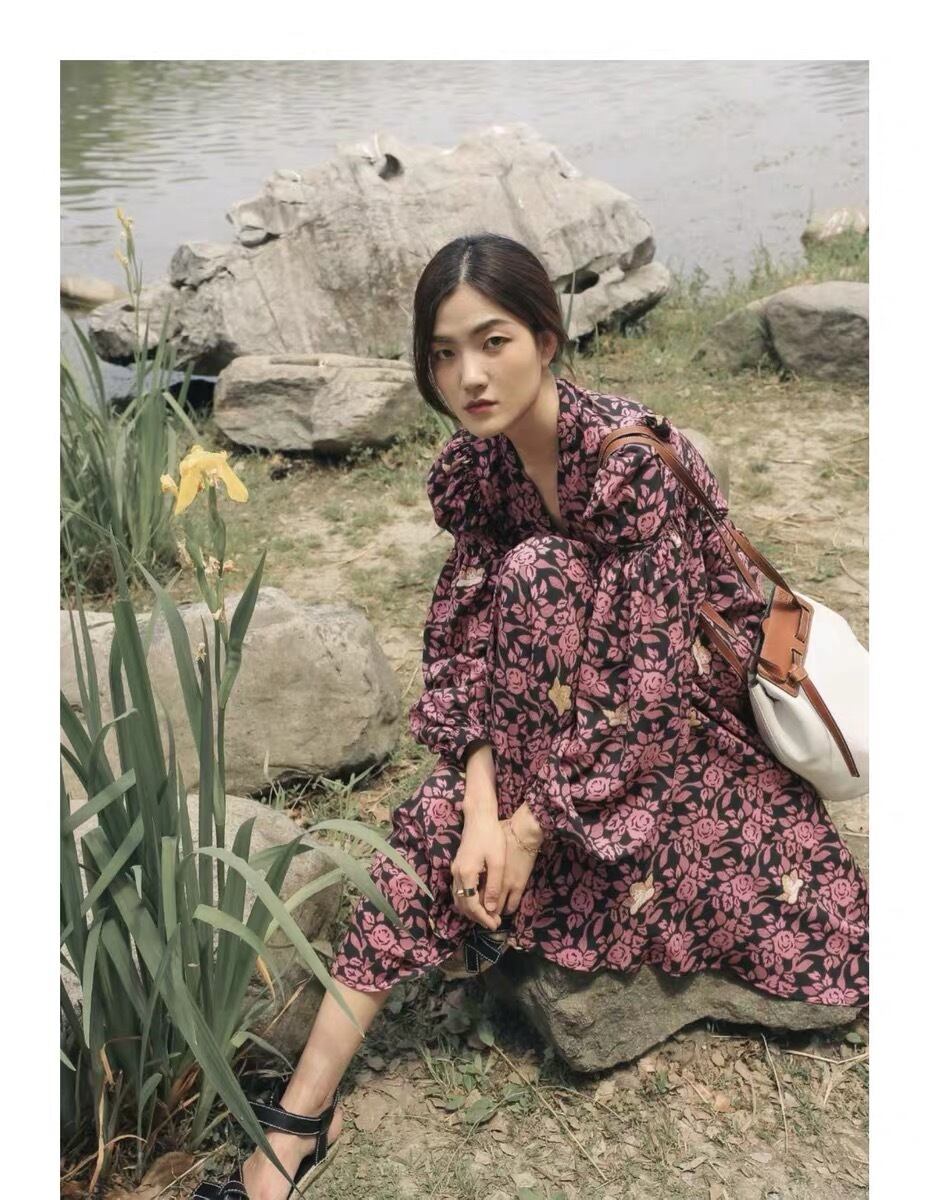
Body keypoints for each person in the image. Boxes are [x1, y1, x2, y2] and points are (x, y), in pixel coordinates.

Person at [194, 233, 868, 1199]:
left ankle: (301, 1118)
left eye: (493, 341)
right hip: (550, 724)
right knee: (442, 812)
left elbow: (644, 691)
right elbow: (464, 648)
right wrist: (482, 811)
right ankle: (305, 1114)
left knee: (538, 575)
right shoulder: (484, 468)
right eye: (443, 353)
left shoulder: (627, 462)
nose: (468, 376)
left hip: (676, 735)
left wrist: (524, 828)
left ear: (547, 340)